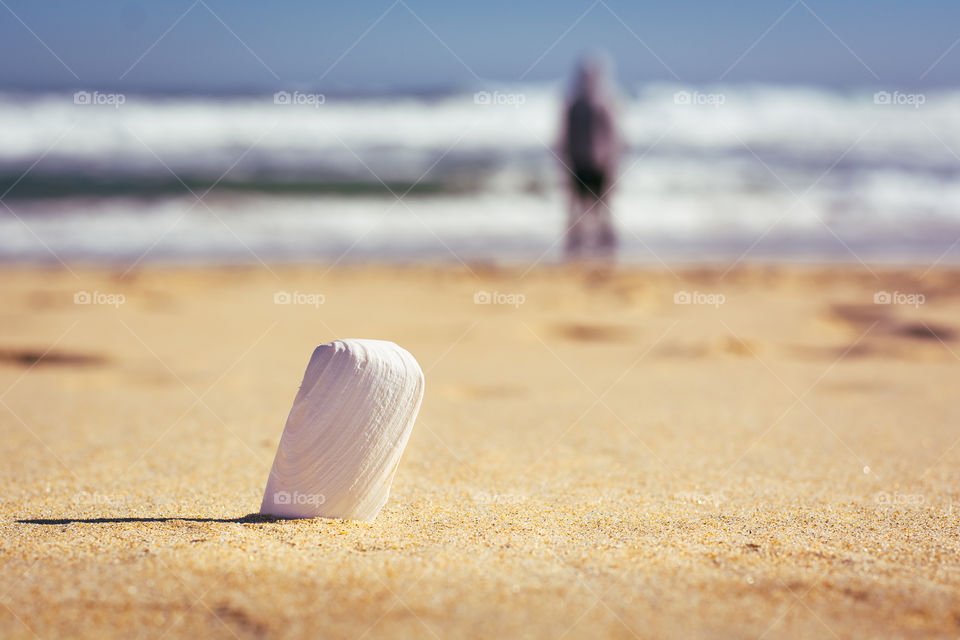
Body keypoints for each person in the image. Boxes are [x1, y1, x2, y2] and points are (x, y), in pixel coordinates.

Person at [558, 54, 622, 260]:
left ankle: (606, 242)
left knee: (603, 206)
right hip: (578, 162)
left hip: (601, 163)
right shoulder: (574, 103)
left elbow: (614, 135)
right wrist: (564, 158)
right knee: (576, 206)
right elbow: (565, 134)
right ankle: (575, 243)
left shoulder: (606, 101)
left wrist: (612, 160)